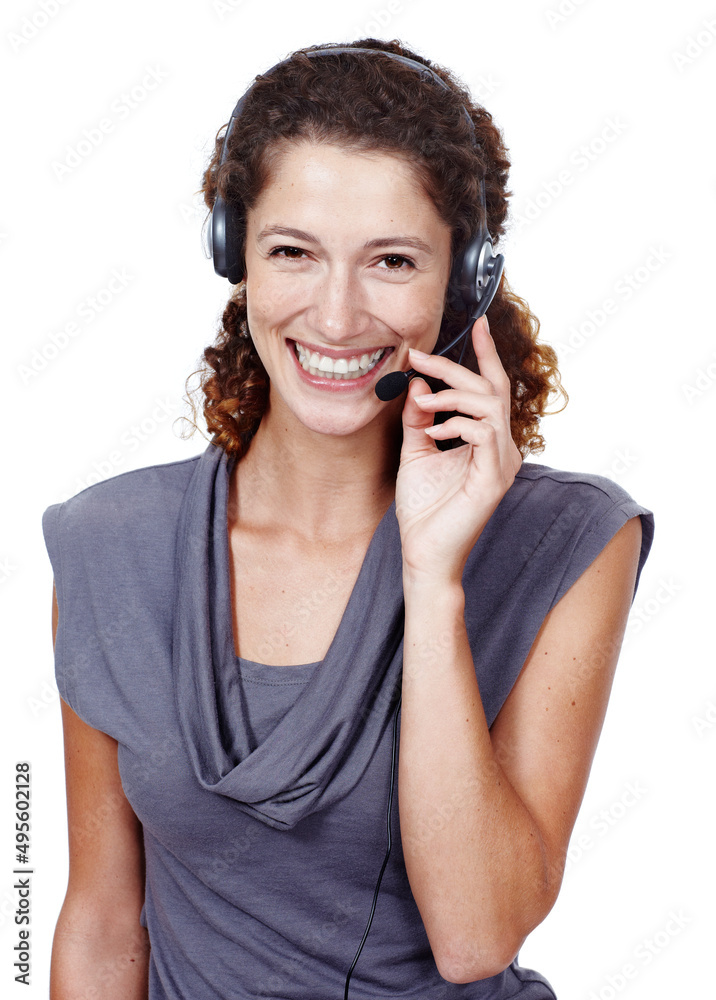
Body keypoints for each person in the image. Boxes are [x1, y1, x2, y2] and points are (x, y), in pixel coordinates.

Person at [43, 38, 654, 1000]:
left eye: (392, 261)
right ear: (231, 251)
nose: (335, 317)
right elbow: (101, 920)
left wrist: (432, 578)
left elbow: (474, 937)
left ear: (465, 277)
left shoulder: (572, 543)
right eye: (293, 252)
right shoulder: (109, 544)